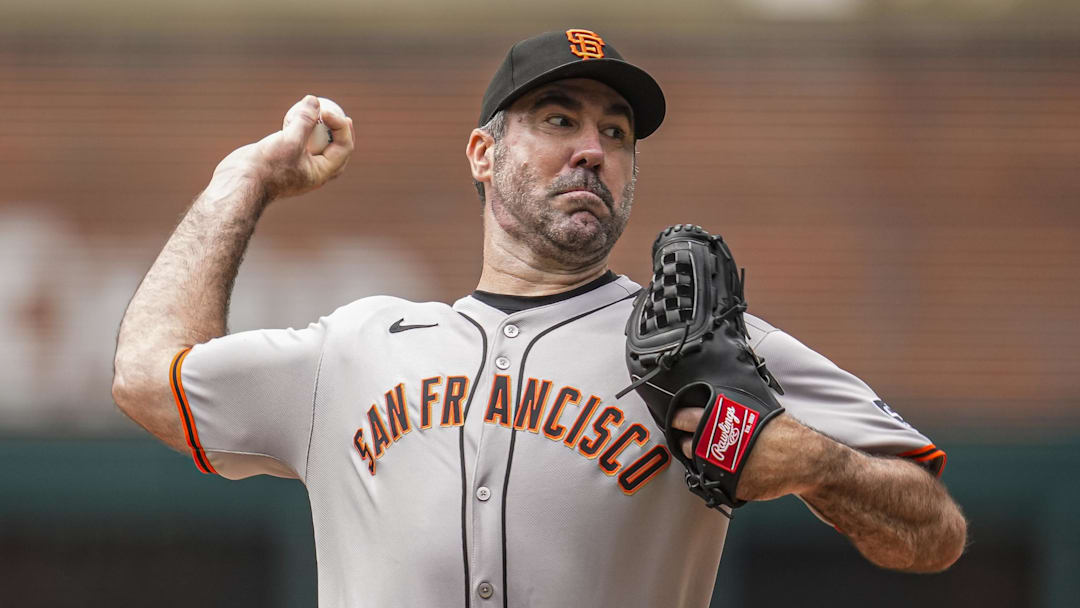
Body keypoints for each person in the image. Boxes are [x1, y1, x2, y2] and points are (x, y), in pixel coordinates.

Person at [112, 29, 966, 607]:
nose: (593, 148)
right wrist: (244, 181)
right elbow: (150, 377)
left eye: (617, 132)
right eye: (559, 120)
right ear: (484, 155)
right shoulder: (355, 350)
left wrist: (813, 463)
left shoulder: (707, 346)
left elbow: (934, 531)